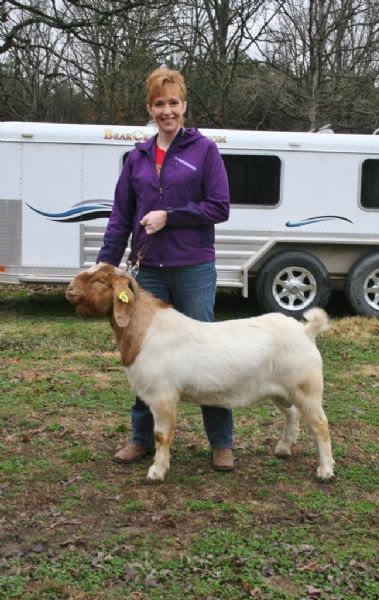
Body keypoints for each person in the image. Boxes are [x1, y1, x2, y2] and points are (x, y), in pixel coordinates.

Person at [97, 68, 234, 472]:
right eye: (160, 104)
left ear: (184, 106)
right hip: (148, 273)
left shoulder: (204, 150)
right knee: (143, 357)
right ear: (150, 108)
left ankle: (221, 443)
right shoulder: (136, 157)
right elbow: (121, 216)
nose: (167, 110)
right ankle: (141, 438)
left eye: (173, 103)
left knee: (207, 355)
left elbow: (219, 207)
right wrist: (108, 261)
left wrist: (170, 216)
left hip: (193, 268)